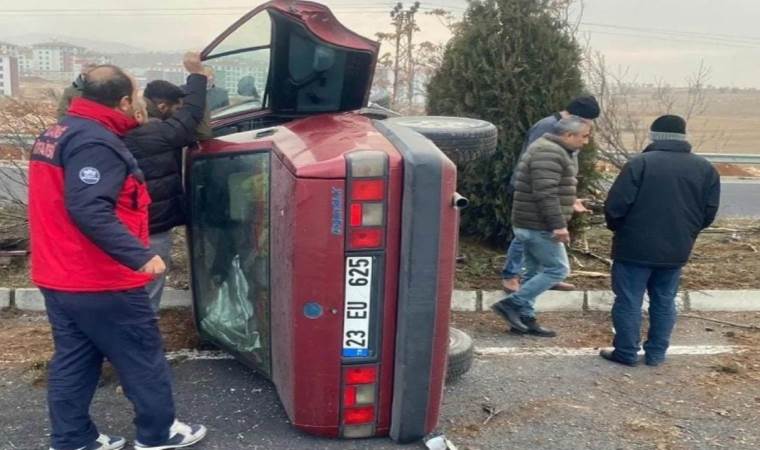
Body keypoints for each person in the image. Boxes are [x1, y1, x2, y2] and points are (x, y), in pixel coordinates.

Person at [28, 64, 207, 450]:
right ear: (124, 100)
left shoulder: (56, 133)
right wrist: (138, 256)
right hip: (98, 276)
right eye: (134, 96)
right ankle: (159, 433)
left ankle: (74, 438)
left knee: (75, 359)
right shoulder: (96, 143)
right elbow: (89, 208)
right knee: (141, 354)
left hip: (58, 274)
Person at [600, 115, 721, 366]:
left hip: (634, 247)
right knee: (665, 301)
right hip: (676, 248)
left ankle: (626, 352)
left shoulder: (640, 164)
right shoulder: (706, 169)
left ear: (654, 135)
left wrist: (620, 229)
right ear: (683, 136)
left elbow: (616, 206)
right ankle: (656, 354)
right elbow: (708, 212)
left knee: (629, 300)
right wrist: (686, 233)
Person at [491, 115, 592, 337]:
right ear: (568, 135)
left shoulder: (550, 149)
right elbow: (544, 193)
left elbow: (549, 187)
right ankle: (512, 304)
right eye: (584, 136)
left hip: (531, 223)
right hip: (538, 225)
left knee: (534, 271)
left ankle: (524, 320)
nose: (586, 142)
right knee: (558, 269)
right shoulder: (549, 152)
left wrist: (571, 202)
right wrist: (558, 226)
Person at [124, 52, 207, 313]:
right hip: (151, 227)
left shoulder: (114, 130)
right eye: (174, 109)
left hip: (122, 225)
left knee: (125, 289)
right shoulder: (153, 134)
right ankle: (138, 343)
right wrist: (197, 76)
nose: (176, 115)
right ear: (161, 107)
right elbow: (191, 116)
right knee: (147, 293)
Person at [501, 96, 600, 293]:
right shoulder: (548, 126)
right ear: (576, 116)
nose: (589, 127)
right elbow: (541, 170)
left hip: (551, 187)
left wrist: (569, 195)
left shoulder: (571, 131)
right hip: (533, 190)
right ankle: (511, 275)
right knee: (525, 235)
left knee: (537, 235)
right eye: (588, 120)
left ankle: (545, 277)